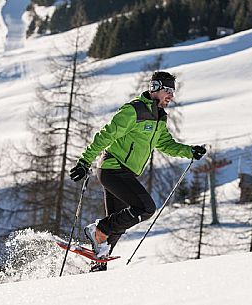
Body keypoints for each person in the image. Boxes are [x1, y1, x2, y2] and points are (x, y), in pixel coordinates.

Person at [69, 71, 206, 272]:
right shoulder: (134, 111)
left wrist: (189, 151)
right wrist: (84, 161)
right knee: (145, 208)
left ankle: (98, 266)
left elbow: (165, 144)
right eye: (167, 90)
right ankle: (97, 230)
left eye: (172, 91)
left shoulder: (159, 118)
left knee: (118, 224)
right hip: (113, 168)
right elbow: (105, 136)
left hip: (125, 173)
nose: (171, 96)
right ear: (155, 88)